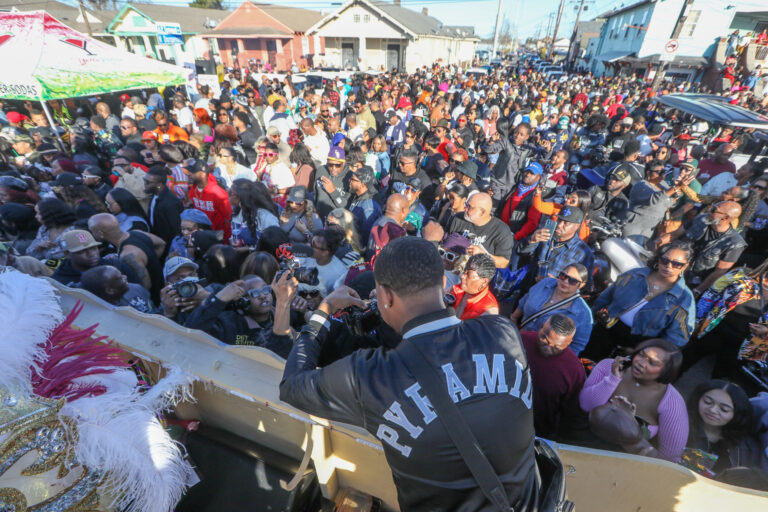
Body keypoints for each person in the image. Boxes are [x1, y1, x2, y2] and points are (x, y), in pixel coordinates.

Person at [280, 236, 538, 510]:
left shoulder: (368, 374)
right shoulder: (501, 331)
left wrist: (324, 309)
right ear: (442, 283)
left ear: (386, 297)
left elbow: (291, 386)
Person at [579, 339, 688, 462]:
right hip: (577, 444)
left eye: (652, 362)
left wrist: (630, 424)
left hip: (622, 463)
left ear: (667, 370)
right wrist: (612, 380)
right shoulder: (608, 366)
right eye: (641, 355)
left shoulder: (673, 403)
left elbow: (670, 458)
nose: (641, 363)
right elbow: (585, 405)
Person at [584, 241, 696, 360]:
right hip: (605, 330)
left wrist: (644, 352)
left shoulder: (684, 299)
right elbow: (604, 299)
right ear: (658, 259)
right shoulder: (634, 275)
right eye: (665, 260)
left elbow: (676, 338)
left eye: (676, 264)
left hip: (638, 348)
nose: (669, 266)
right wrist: (589, 322)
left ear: (685, 266)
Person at [684, 258, 768, 381]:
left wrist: (766, 331)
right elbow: (711, 295)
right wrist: (696, 320)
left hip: (743, 345)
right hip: (714, 330)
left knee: (722, 379)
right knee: (685, 359)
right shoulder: (741, 275)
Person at [184, 274, 294, 356]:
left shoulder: (282, 318)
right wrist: (219, 299)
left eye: (265, 289)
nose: (262, 296)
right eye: (254, 293)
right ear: (242, 301)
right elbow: (192, 332)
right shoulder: (229, 322)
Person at [520, 314, 586, 439]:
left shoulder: (574, 371)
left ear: (569, 343)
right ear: (540, 328)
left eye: (557, 347)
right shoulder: (521, 340)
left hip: (537, 431)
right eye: (544, 338)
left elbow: (570, 411)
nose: (548, 348)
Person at [660, 201, 746, 295]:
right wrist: (658, 243)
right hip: (671, 269)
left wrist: (698, 290)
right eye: (711, 206)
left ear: (725, 218)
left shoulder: (735, 243)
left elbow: (719, 272)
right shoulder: (701, 219)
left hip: (691, 282)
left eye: (713, 210)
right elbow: (674, 235)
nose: (708, 210)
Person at [511, 263, 593, 355]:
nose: (565, 281)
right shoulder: (545, 283)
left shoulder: (584, 314)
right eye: (563, 276)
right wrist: (513, 319)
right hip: (518, 337)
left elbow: (577, 346)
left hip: (541, 353)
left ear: (581, 285)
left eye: (573, 281)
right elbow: (525, 300)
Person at [684, 380, 763, 476]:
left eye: (724, 409)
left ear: (737, 414)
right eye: (707, 402)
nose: (713, 410)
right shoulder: (680, 424)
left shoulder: (744, 447)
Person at [88, 213, 165, 302]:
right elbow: (161, 243)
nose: (91, 233)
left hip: (154, 301)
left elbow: (145, 286)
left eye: (91, 230)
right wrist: (151, 261)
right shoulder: (137, 233)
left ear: (100, 233)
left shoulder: (128, 255)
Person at [523, 206, 594, 288]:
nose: (560, 225)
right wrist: (532, 241)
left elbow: (586, 285)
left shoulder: (583, 253)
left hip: (553, 296)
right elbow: (521, 253)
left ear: (577, 226)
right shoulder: (545, 234)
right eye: (559, 220)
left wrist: (558, 282)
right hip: (528, 288)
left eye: (566, 223)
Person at [447, 192, 514, 268]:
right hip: (451, 267)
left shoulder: (502, 230)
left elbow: (504, 263)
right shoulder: (458, 218)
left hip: (476, 276)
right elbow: (444, 243)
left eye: (469, 207)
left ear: (482, 212)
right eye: (466, 204)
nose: (465, 208)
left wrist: (483, 256)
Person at [186, 159, 233, 242]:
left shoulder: (218, 193)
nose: (188, 174)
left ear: (202, 174)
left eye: (192, 172)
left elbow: (228, 219)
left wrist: (224, 240)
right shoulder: (193, 190)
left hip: (217, 237)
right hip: (202, 235)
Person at [80, 265, 154, 313]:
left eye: (122, 274)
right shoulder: (97, 313)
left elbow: (155, 312)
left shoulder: (136, 289)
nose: (125, 277)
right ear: (110, 290)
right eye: (120, 279)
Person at [447, 253, 499, 320]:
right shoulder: (455, 289)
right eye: (464, 272)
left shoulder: (489, 311)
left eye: (468, 275)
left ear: (484, 281)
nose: (462, 276)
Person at [143, 165, 183, 250]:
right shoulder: (153, 195)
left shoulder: (171, 203)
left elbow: (176, 230)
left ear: (159, 185)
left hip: (167, 246)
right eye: (144, 180)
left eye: (148, 182)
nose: (145, 184)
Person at [348, 166, 382, 245]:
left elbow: (367, 238)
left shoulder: (368, 208)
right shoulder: (357, 197)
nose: (349, 180)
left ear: (362, 184)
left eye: (352, 179)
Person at [315, 146, 351, 219]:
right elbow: (315, 194)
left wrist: (333, 192)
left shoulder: (350, 177)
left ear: (343, 163)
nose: (333, 168)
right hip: (319, 218)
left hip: (337, 222)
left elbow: (346, 207)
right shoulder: (321, 170)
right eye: (330, 164)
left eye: (338, 165)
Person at [310, 227, 348, 294]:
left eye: (313, 245)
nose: (309, 247)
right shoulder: (305, 256)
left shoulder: (339, 275)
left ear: (325, 252)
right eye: (311, 242)